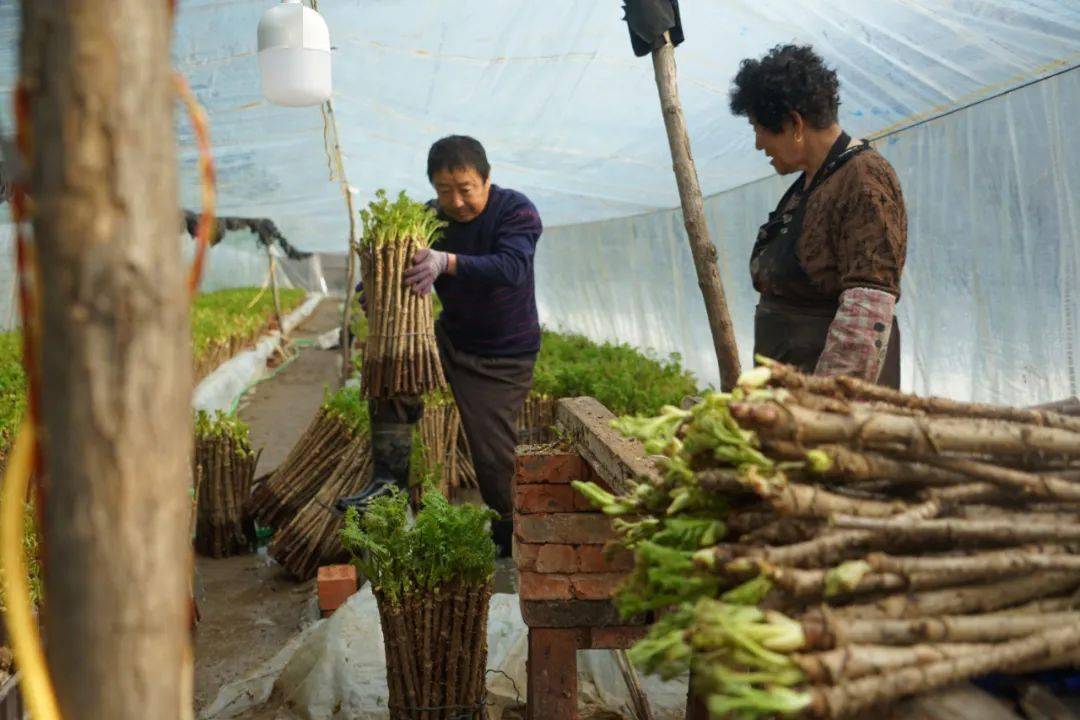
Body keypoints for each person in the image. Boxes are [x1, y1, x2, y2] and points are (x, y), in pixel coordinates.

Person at [338, 135, 543, 556]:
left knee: (492, 456)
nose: (456, 201)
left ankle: (512, 535)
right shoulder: (428, 218)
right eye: (444, 190)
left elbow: (513, 267)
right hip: (450, 337)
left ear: (486, 180)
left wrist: (444, 261)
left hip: (502, 354)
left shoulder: (516, 210)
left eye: (465, 189)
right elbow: (401, 259)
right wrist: (376, 285)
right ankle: (388, 484)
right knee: (392, 374)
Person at [729, 44, 907, 386]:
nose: (757, 144)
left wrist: (824, 411)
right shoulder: (810, 182)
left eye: (758, 128)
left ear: (794, 123)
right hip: (792, 400)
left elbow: (865, 314)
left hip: (831, 414)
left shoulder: (865, 179)